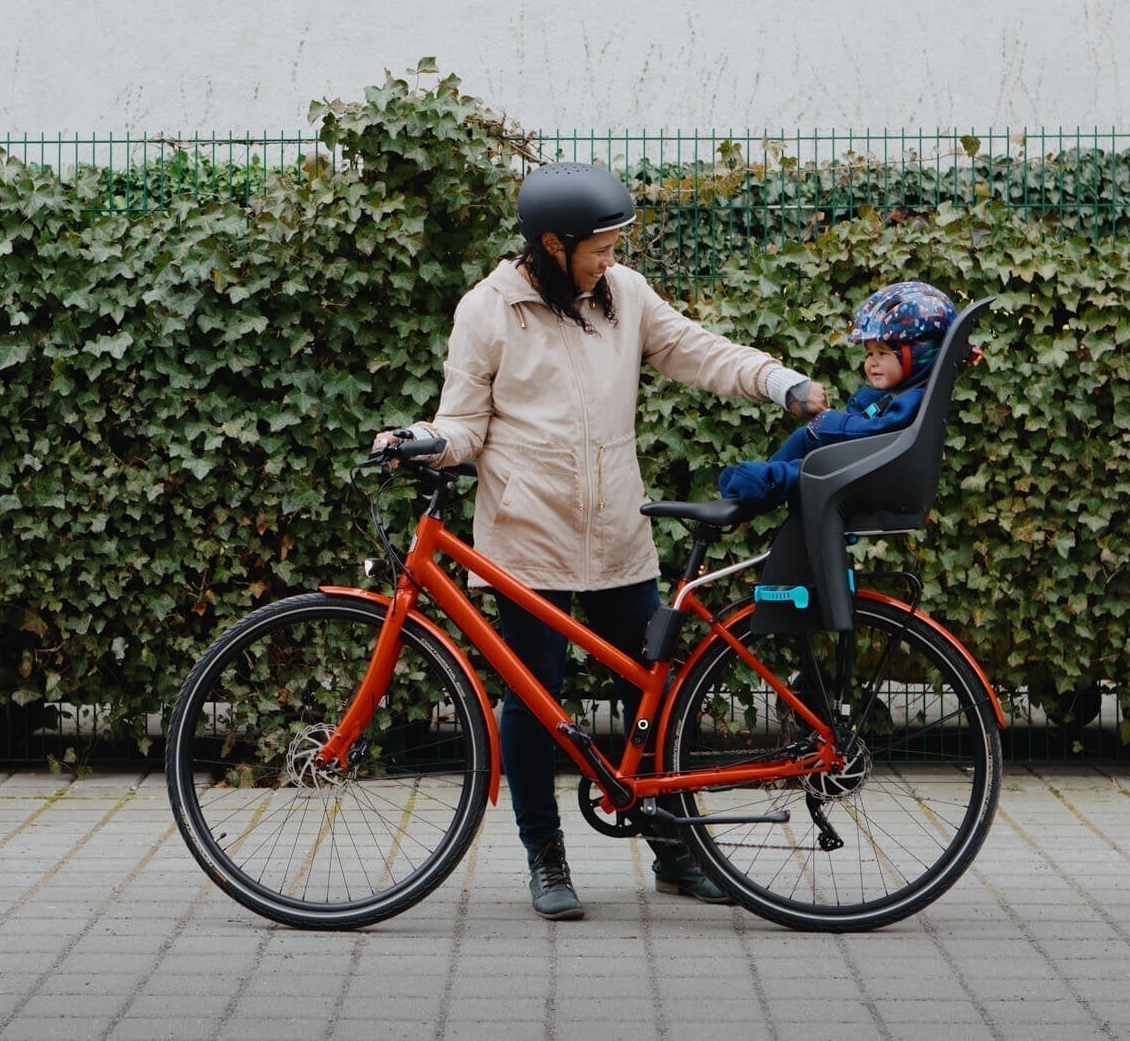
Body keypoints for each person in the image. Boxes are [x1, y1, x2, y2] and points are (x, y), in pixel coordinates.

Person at [372, 161, 828, 921]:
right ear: (553, 243)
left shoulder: (626, 297)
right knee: (531, 699)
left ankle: (675, 852)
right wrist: (419, 440)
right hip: (528, 535)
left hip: (617, 527)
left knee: (647, 692)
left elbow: (698, 350)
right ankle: (546, 856)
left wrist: (775, 380)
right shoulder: (489, 310)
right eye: (600, 247)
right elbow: (463, 424)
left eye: (616, 246)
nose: (611, 258)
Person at [717, 281, 958, 509]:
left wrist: (833, 423)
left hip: (873, 470)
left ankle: (763, 483)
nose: (871, 363)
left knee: (814, 468)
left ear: (919, 354)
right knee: (805, 438)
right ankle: (761, 478)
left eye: (882, 353)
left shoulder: (912, 399)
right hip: (866, 463)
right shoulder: (899, 392)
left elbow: (879, 432)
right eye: (868, 354)